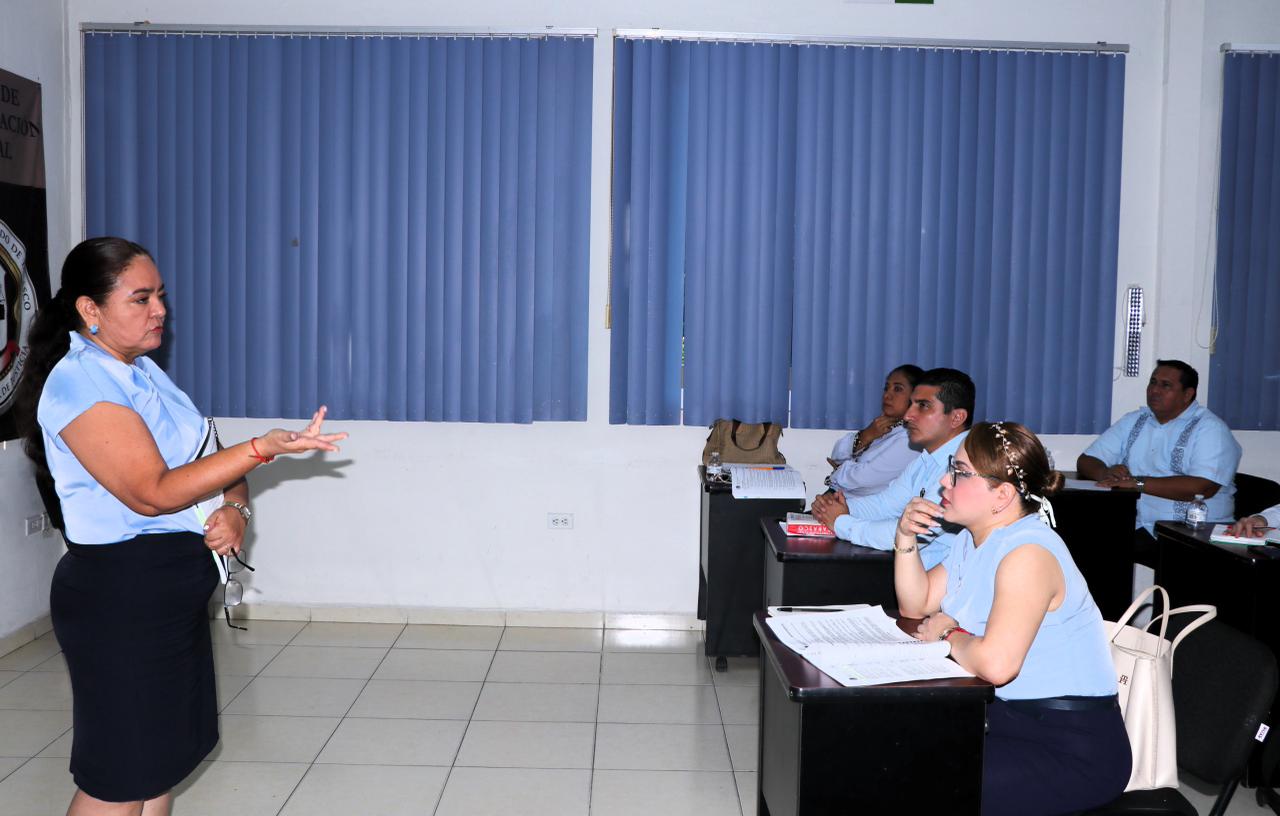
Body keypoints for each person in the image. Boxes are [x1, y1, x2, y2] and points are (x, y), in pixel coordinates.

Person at [13, 237, 347, 816]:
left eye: (160, 296)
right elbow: (153, 493)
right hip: (121, 601)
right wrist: (262, 448)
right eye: (141, 298)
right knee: (118, 781)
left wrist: (236, 510)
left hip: (166, 600)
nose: (160, 310)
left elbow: (210, 462)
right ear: (90, 310)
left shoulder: (141, 372)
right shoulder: (81, 383)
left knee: (159, 767)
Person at [896, 422, 1130, 816]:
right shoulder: (971, 540)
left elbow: (997, 665)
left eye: (959, 472)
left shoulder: (1028, 553)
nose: (943, 481)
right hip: (1006, 720)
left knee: (927, 783)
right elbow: (916, 605)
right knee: (893, 753)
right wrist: (905, 537)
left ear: (1002, 495)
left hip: (1069, 747)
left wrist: (948, 632)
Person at [1076, 360, 1241, 564]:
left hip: (1194, 532)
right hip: (1141, 525)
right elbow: (1086, 460)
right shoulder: (1136, 420)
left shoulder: (1210, 429)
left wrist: (1137, 483)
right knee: (1082, 538)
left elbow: (1203, 487)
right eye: (1153, 382)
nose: (1154, 390)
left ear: (1188, 394)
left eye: (1166, 385)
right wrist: (1105, 473)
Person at [811, 367, 974, 569]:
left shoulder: (965, 466)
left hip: (941, 581)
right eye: (911, 404)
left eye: (923, 406)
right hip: (909, 572)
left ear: (956, 418)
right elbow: (885, 504)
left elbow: (909, 534)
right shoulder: (927, 458)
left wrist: (841, 522)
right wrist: (836, 508)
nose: (908, 416)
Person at [825, 364, 923, 499]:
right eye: (886, 388)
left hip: (855, 506)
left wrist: (838, 470)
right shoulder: (883, 426)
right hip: (838, 498)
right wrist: (866, 435)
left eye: (897, 389)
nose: (887, 395)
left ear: (916, 396)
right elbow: (837, 454)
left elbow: (862, 480)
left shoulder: (910, 440)